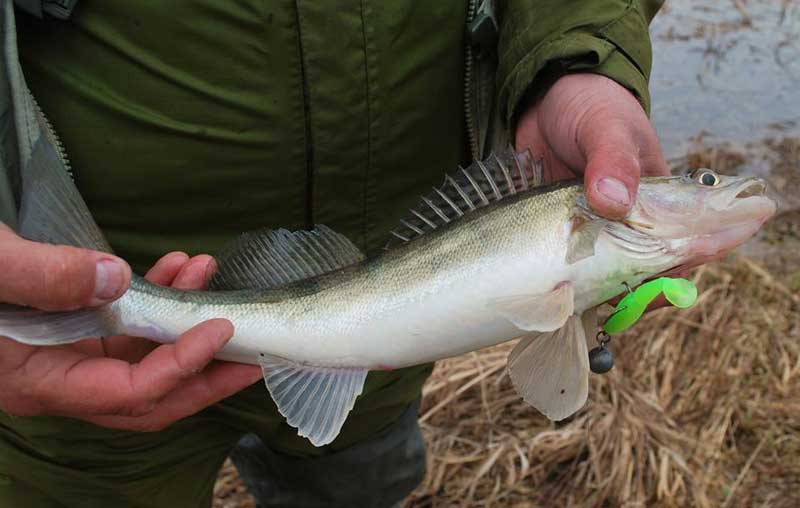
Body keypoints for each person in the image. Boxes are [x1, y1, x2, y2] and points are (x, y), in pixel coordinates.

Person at [0, 1, 668, 506]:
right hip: (72, 330)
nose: (707, 188)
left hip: (375, 363)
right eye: (702, 182)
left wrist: (572, 64)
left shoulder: (599, 219)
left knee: (358, 480)